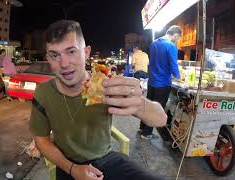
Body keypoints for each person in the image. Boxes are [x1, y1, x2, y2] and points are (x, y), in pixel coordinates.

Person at [30, 20, 167, 180]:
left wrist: (138, 103)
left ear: (86, 52)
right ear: (48, 58)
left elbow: (161, 119)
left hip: (107, 159)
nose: (64, 64)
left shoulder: (106, 85)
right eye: (55, 55)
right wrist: (73, 169)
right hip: (68, 166)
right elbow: (41, 140)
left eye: (71, 51)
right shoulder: (43, 92)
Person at [139, 25, 181, 140]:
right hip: (162, 83)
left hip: (152, 81)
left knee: (148, 106)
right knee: (157, 109)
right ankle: (147, 133)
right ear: (176, 35)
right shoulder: (171, 46)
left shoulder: (154, 43)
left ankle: (142, 127)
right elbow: (173, 64)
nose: (177, 41)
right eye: (178, 38)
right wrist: (178, 77)